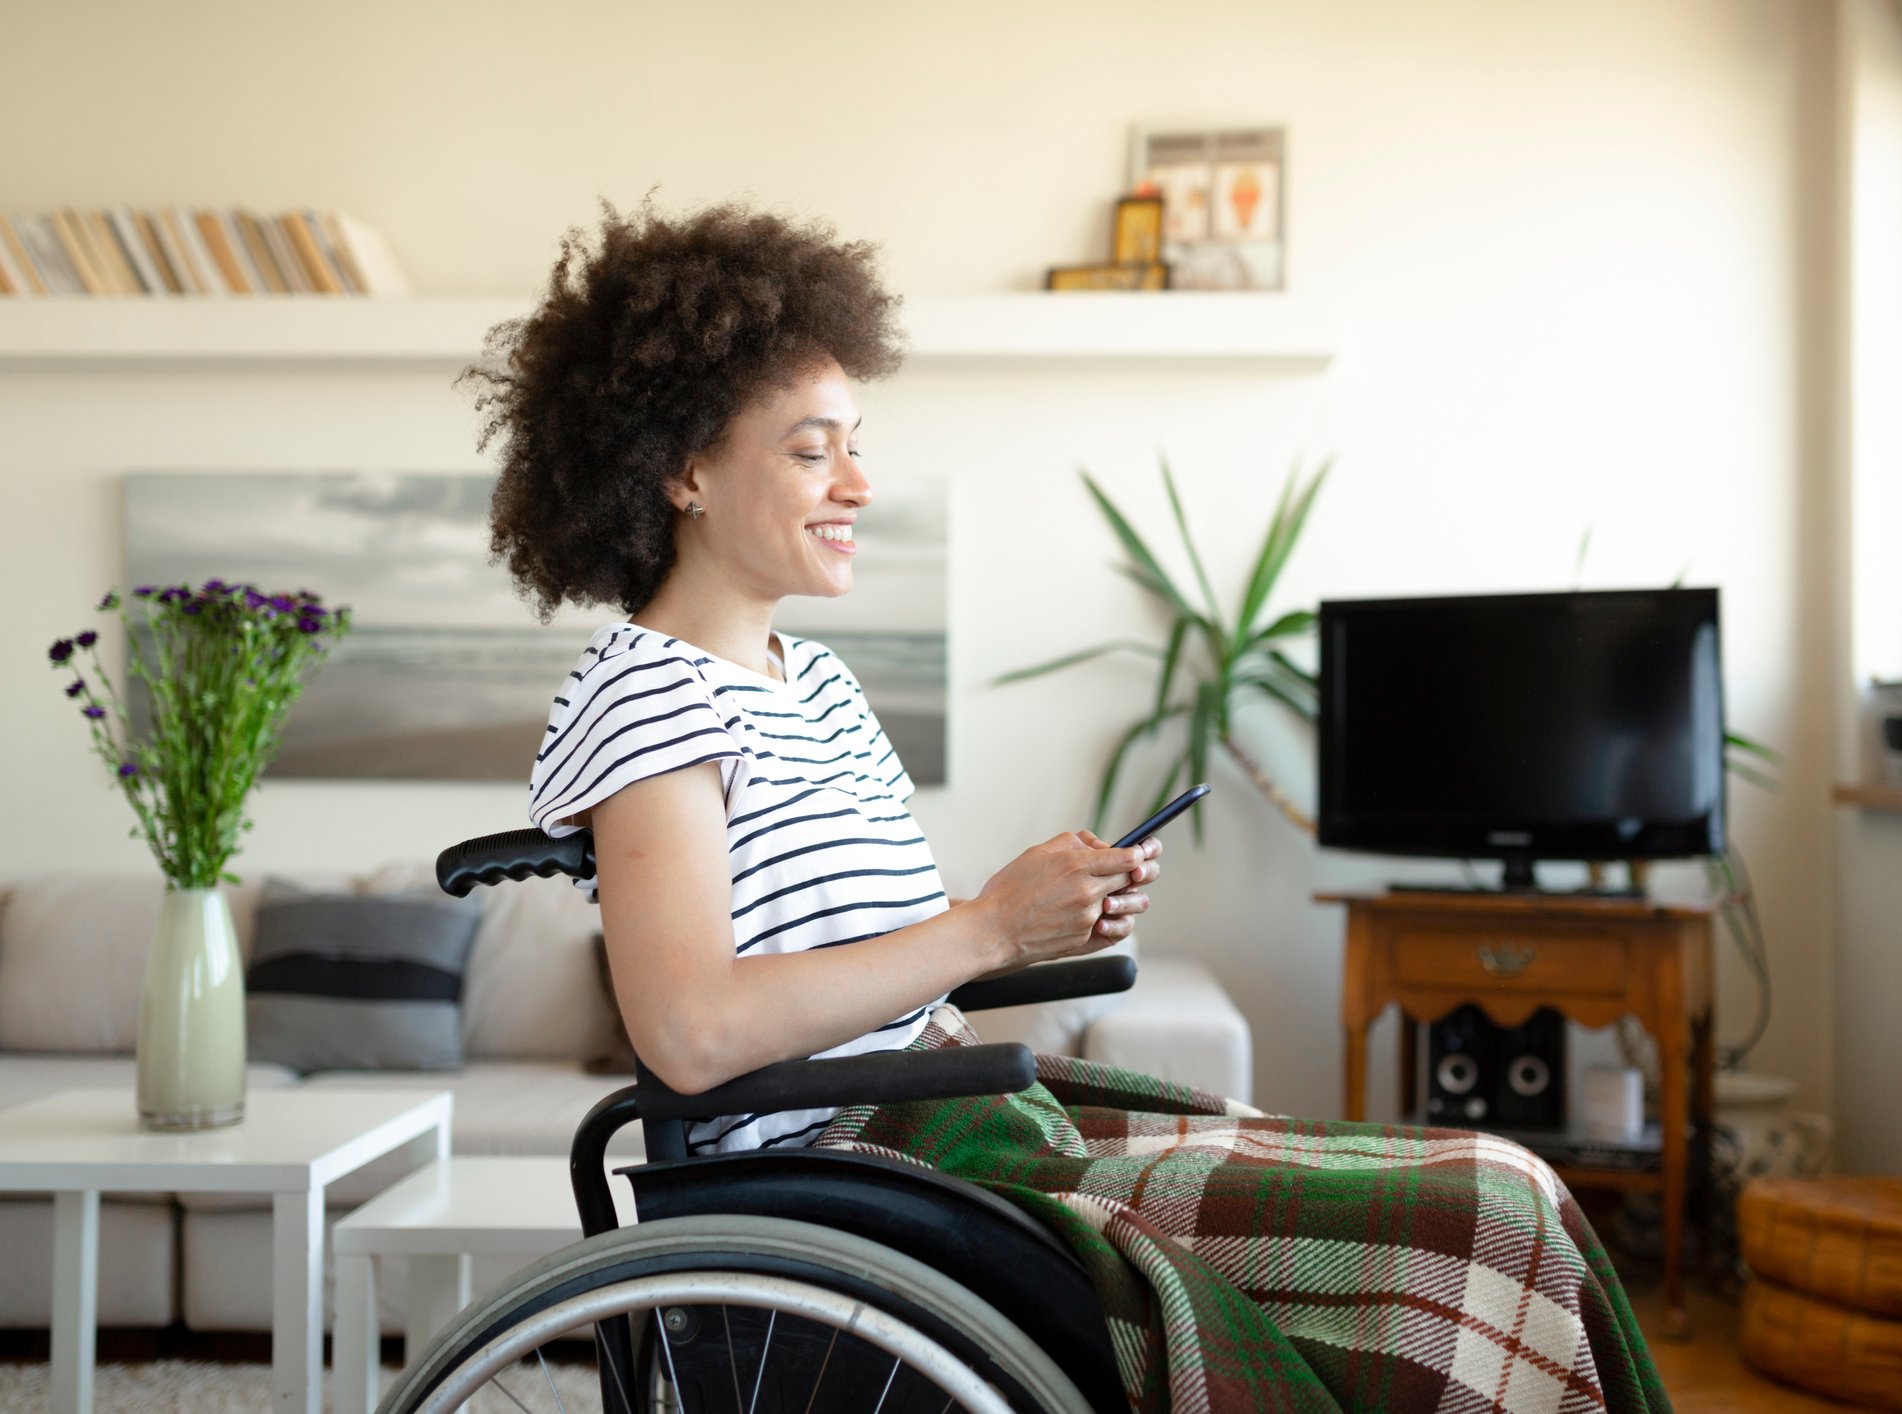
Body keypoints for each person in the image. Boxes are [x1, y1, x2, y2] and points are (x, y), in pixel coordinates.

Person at [468, 196, 1668, 1413]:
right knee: (1480, 1220)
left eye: (856, 445)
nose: (860, 484)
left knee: (1503, 1181)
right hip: (863, 1165)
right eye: (812, 450)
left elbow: (869, 952)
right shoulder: (650, 695)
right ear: (683, 470)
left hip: (960, 1108)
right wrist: (988, 925)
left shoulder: (812, 680)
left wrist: (1041, 918)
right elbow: (691, 1031)